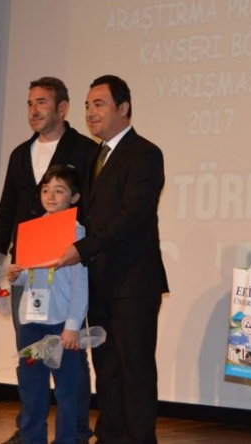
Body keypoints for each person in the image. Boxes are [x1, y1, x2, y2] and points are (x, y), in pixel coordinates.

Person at [56, 74, 169, 444]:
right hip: (98, 281)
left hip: (133, 283)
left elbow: (131, 216)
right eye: (87, 105)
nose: (91, 112)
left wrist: (82, 249)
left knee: (135, 367)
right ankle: (110, 436)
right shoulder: (93, 157)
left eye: (99, 104)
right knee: (106, 368)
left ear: (124, 108)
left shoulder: (145, 153)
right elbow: (83, 216)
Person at [0, 76, 98, 444]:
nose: (34, 110)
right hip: (27, 272)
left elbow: (94, 208)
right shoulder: (21, 153)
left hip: (67, 268)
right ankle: (29, 432)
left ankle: (76, 433)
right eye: (30, 103)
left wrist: (85, 248)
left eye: (42, 102)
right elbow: (7, 208)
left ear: (62, 108)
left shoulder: (85, 149)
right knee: (30, 359)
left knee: (70, 362)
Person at [8, 165, 89, 444]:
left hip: (60, 324)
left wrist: (72, 326)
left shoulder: (77, 233)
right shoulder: (32, 229)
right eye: (46, 190)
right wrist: (16, 276)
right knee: (32, 388)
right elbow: (28, 276)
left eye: (59, 190)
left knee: (66, 390)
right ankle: (32, 439)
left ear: (74, 197)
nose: (51, 196)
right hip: (31, 322)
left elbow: (80, 285)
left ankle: (67, 439)